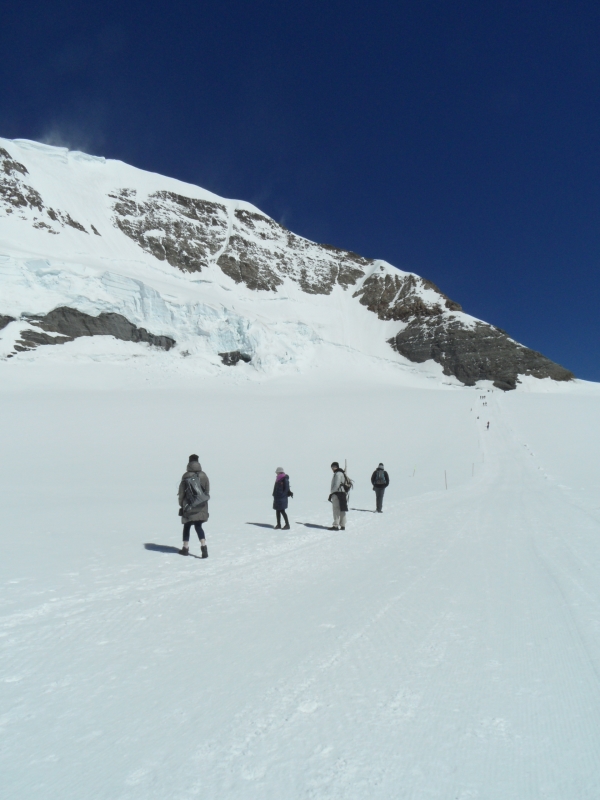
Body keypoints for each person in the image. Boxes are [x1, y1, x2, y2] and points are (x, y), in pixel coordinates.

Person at [178, 454, 210, 557]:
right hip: (201, 505)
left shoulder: (186, 476)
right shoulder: (204, 475)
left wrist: (182, 505)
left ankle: (185, 548)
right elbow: (207, 491)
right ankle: (204, 546)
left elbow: (181, 493)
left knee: (187, 526)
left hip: (189, 506)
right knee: (198, 526)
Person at [329, 461, 348, 530]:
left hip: (337, 493)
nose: (332, 468)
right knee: (342, 509)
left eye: (333, 467)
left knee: (336, 509)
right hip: (342, 493)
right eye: (332, 467)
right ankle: (343, 525)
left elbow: (336, 484)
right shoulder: (342, 473)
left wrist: (332, 492)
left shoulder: (337, 474)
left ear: (336, 467)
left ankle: (335, 525)